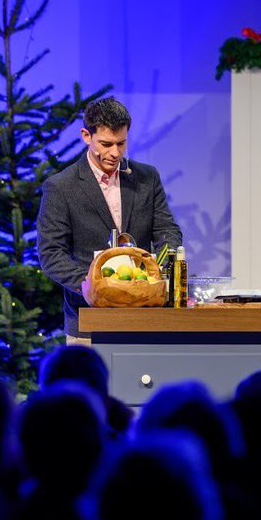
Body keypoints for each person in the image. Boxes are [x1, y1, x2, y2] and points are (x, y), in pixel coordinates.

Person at [37, 97, 182, 341]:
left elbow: (167, 230)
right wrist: (95, 287)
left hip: (145, 318)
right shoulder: (61, 187)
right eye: (105, 144)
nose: (115, 153)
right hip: (87, 322)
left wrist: (158, 272)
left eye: (121, 143)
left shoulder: (148, 178)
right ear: (86, 136)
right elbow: (51, 254)